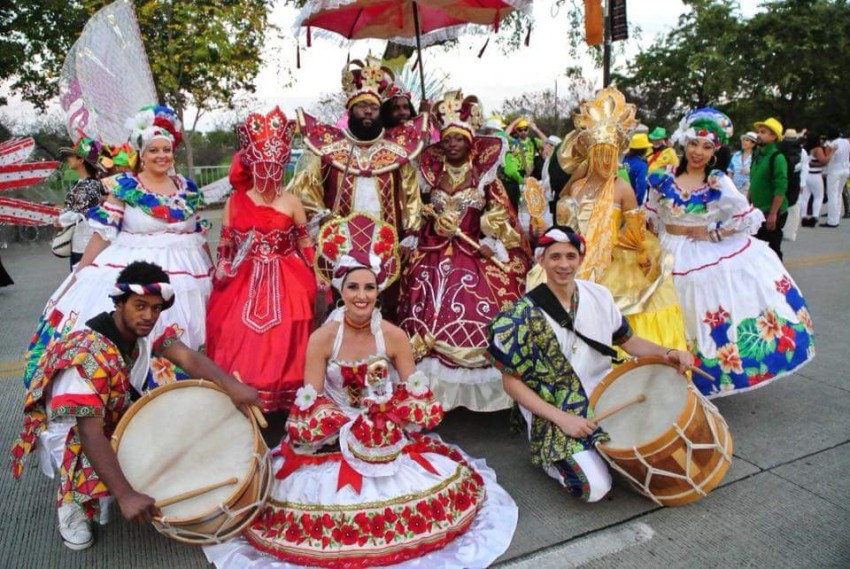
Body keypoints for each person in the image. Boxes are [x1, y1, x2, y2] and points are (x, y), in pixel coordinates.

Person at [203, 226, 518, 569]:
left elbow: (414, 390)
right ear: (341, 290)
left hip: (385, 436)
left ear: (378, 291)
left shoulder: (394, 336)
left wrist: (390, 415)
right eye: (353, 287)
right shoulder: (323, 338)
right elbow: (311, 399)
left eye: (369, 287)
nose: (362, 296)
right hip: (332, 435)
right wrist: (340, 429)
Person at [10, 262, 260, 550]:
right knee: (85, 447)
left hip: (112, 409)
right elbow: (90, 433)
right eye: (140, 306)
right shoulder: (88, 357)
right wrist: (125, 495)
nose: (149, 315)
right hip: (71, 429)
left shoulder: (145, 328)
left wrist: (232, 387)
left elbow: (187, 358)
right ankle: (72, 503)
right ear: (119, 303)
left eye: (156, 308)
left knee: (170, 417)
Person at [487, 226, 693, 502]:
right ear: (541, 260)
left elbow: (629, 342)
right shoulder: (519, 316)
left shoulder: (600, 295)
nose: (564, 264)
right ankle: (552, 460)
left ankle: (595, 451)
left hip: (603, 391)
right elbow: (511, 383)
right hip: (554, 405)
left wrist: (668, 352)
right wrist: (563, 420)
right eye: (555, 257)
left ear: (581, 259)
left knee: (665, 425)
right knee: (594, 488)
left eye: (570, 256)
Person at [21, 105, 213, 390]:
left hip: (191, 276)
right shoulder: (126, 185)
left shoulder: (187, 189)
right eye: (153, 150)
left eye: (166, 150)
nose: (161, 155)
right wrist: (81, 270)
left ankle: (188, 394)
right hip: (132, 270)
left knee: (195, 334)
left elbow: (198, 234)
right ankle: (124, 394)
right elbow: (103, 233)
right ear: (142, 154)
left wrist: (216, 272)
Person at [646, 108, 815, 397]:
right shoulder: (661, 178)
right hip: (667, 249)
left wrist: (713, 232)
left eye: (706, 147)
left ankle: (703, 376)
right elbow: (649, 217)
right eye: (694, 144)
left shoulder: (717, 181)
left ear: (715, 151)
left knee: (700, 309)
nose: (698, 152)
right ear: (684, 144)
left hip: (701, 252)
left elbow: (747, 217)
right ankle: (663, 373)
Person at [397, 90, 530, 412]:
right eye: (447, 139)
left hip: (474, 253)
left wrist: (490, 238)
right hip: (433, 251)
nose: (452, 144)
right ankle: (427, 392)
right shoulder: (431, 176)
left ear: (470, 143)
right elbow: (419, 213)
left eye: (458, 139)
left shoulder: (484, 178)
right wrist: (428, 228)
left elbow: (502, 214)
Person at [288, 57, 428, 319]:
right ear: (350, 110)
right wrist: (321, 218)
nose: (368, 112)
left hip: (388, 245)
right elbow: (306, 190)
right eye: (362, 106)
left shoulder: (397, 151)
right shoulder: (327, 148)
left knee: (388, 309)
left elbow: (411, 195)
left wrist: (410, 232)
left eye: (373, 107)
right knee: (344, 307)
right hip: (341, 246)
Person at [552, 88, 686, 353]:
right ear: (590, 155)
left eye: (610, 154)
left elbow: (635, 230)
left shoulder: (622, 189)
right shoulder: (576, 188)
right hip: (577, 259)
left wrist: (640, 252)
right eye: (599, 153)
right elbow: (566, 226)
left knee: (616, 311)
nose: (604, 161)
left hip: (614, 261)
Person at [205, 107, 317, 415]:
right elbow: (226, 243)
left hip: (287, 275)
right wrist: (223, 265)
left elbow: (304, 242)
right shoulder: (235, 201)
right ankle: (237, 393)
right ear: (252, 165)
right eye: (263, 166)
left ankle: (284, 398)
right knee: (231, 327)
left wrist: (317, 273)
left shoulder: (292, 201)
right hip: (243, 275)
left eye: (275, 167)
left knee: (292, 325)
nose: (269, 173)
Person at [56, 137, 106, 270]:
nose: (68, 159)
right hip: (81, 241)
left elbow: (77, 212)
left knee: (81, 276)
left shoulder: (90, 184)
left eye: (71, 156)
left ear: (81, 160)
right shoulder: (83, 183)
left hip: (86, 243)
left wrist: (59, 219)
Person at [749, 117, 789, 259]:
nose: (758, 135)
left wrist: (773, 213)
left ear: (773, 137)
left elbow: (780, 187)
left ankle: (778, 273)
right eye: (758, 132)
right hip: (758, 210)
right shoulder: (757, 155)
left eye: (763, 132)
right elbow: (754, 181)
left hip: (771, 212)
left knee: (772, 250)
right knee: (757, 248)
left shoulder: (777, 158)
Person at [800, 134, 830, 227]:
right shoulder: (817, 149)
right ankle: (814, 216)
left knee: (804, 197)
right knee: (818, 196)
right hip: (816, 175)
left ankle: (803, 217)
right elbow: (824, 161)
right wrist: (831, 153)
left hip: (806, 174)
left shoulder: (805, 148)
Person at [822, 129, 850, 227]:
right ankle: (836, 218)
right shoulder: (847, 142)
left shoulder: (830, 144)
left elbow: (827, 159)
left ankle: (832, 220)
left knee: (832, 195)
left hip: (834, 171)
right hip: (845, 169)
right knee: (838, 194)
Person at [622, 133, 652, 205]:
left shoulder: (626, 159)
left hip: (621, 196)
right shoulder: (641, 165)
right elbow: (641, 185)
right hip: (632, 200)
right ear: (644, 149)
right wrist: (638, 202)